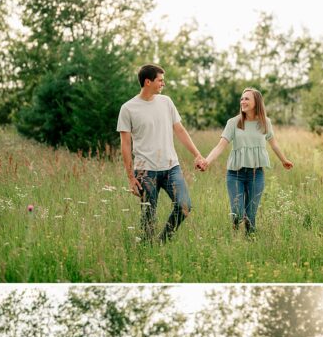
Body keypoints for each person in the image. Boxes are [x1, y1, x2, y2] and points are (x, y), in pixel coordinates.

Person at [117, 64, 207, 243]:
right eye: (160, 80)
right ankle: (147, 250)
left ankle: (163, 241)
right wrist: (130, 177)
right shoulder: (128, 108)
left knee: (185, 206)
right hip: (145, 171)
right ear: (147, 82)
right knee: (148, 216)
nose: (163, 84)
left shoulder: (166, 102)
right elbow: (125, 145)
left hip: (171, 167)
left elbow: (180, 130)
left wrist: (197, 154)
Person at [203, 87, 293, 234]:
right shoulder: (233, 122)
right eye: (242, 99)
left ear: (256, 102)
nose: (242, 101)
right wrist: (207, 161)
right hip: (235, 174)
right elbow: (221, 146)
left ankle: (250, 242)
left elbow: (274, 143)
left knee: (251, 217)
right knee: (237, 214)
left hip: (256, 174)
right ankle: (234, 238)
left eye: (247, 99)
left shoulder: (265, 123)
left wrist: (284, 160)